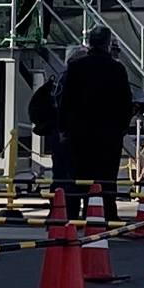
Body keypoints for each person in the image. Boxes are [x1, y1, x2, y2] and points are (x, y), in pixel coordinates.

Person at [55, 26, 135, 221]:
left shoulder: (76, 68)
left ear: (90, 43)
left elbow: (66, 101)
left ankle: (73, 217)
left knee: (77, 179)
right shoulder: (117, 69)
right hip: (108, 135)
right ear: (108, 45)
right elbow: (125, 102)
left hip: (80, 133)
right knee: (107, 180)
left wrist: (64, 128)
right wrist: (121, 128)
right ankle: (108, 217)